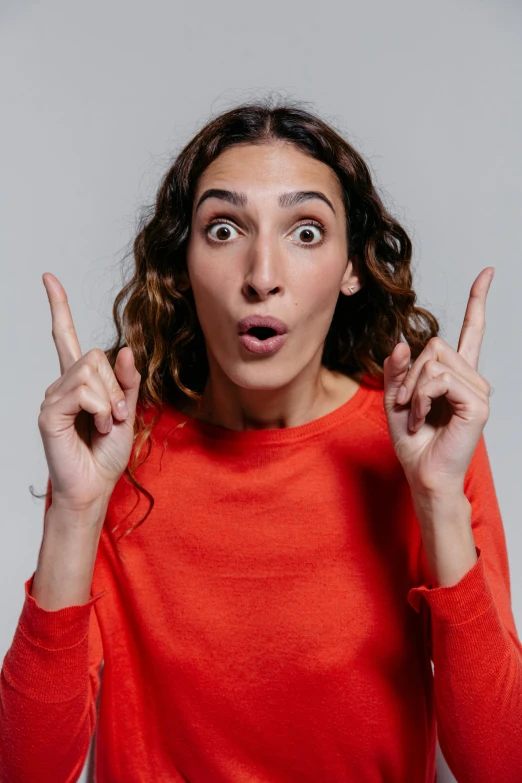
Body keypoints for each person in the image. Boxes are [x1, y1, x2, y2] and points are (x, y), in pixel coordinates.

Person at [1, 98, 521, 783]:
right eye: (222, 229)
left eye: (306, 231)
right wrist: (73, 512)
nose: (262, 274)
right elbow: (26, 770)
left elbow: (500, 764)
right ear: (182, 263)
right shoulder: (115, 451)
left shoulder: (425, 442)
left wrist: (438, 498)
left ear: (351, 267)